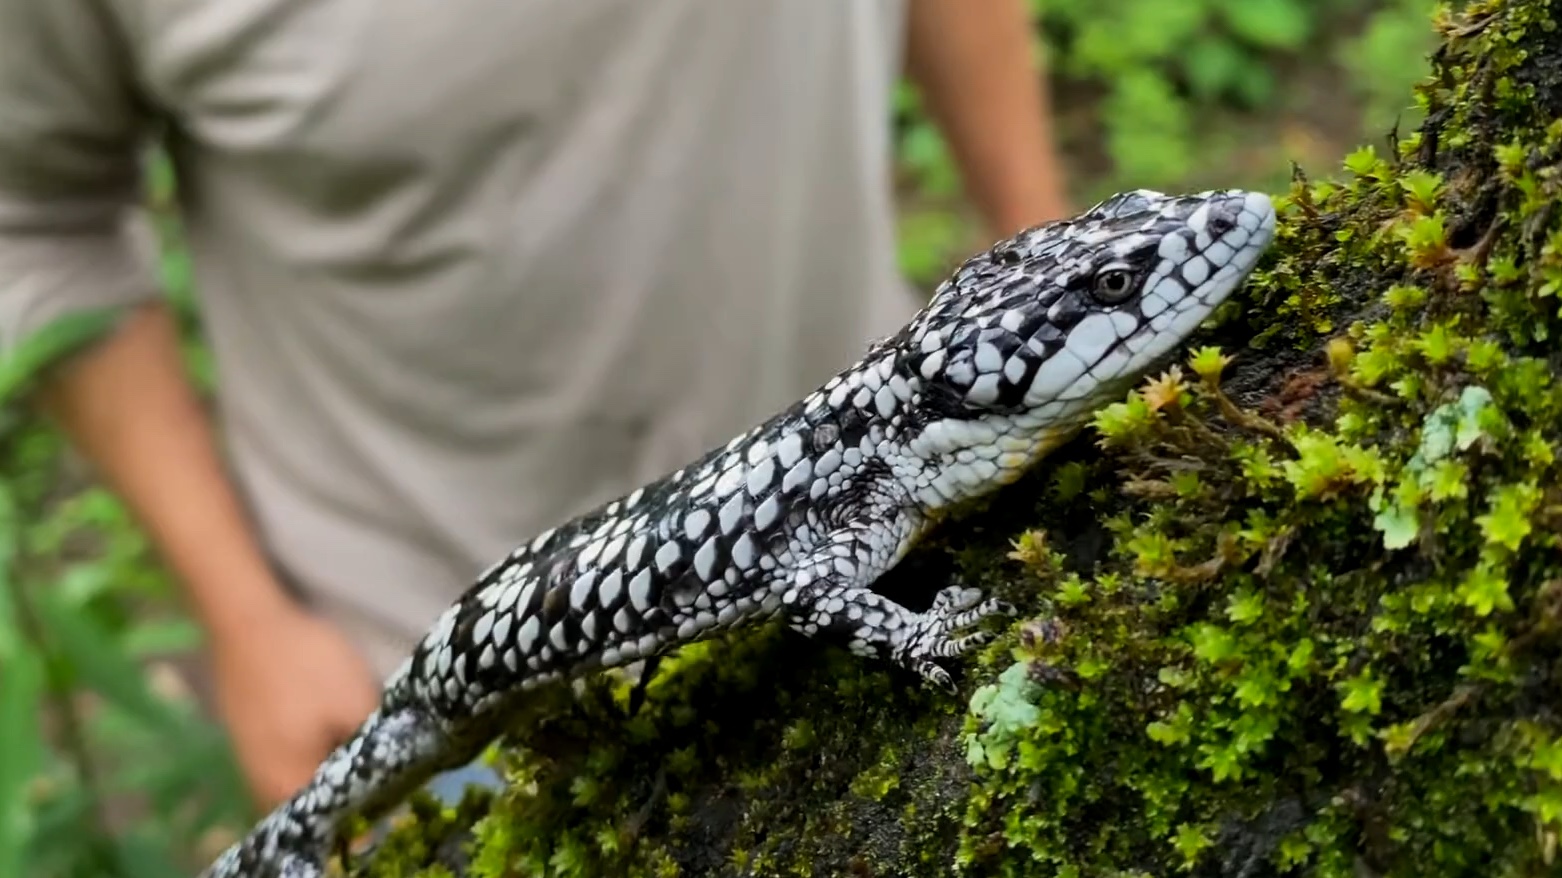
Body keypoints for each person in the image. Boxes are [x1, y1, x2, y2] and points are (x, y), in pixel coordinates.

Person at [0, 0, 1070, 814]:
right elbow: (32, 215)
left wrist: (1050, 277)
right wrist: (247, 621)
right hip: (408, 653)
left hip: (911, 504)